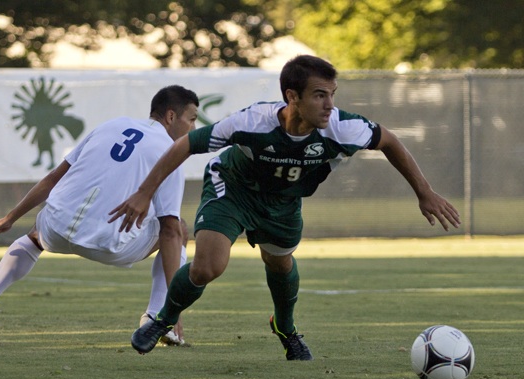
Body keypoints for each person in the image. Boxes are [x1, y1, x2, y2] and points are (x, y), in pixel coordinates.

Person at [109, 55, 461, 361]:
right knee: (207, 266)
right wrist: (144, 192)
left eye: (332, 95)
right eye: (320, 95)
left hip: (283, 202)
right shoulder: (253, 122)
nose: (329, 105)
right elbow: (186, 144)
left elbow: (389, 141)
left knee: (280, 263)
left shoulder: (342, 127)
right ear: (292, 97)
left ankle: (285, 327)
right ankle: (163, 320)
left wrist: (424, 192)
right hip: (233, 189)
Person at [0, 85, 199, 346]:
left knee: (33, 236)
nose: (193, 127)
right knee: (179, 227)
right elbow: (168, 231)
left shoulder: (111, 125)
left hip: (54, 230)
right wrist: (174, 309)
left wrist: (11, 216)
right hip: (110, 243)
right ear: (170, 117)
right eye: (191, 119)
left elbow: (54, 178)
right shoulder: (171, 151)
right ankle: (158, 318)